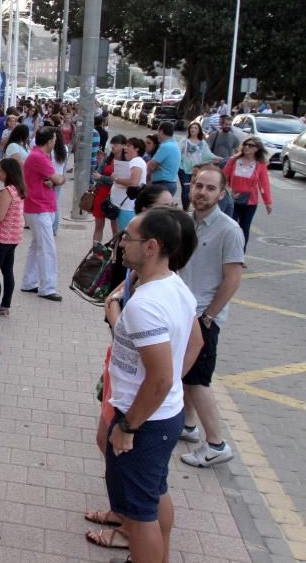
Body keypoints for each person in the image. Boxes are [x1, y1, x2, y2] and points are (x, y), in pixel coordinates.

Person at [103, 207, 198, 563]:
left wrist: (129, 426)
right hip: (163, 415)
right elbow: (193, 346)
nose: (121, 243)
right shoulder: (175, 286)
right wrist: (167, 391)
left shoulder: (145, 304)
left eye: (129, 237)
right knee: (156, 493)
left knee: (140, 516)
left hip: (145, 421)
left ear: (152, 247)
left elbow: (159, 378)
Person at [178, 166, 244, 468]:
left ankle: (216, 443)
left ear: (222, 193)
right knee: (189, 375)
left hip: (204, 316)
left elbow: (232, 279)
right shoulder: (187, 222)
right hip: (185, 311)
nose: (202, 192)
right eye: (198, 186)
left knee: (198, 380)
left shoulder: (229, 229)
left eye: (210, 188)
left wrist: (209, 316)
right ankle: (189, 426)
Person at [19, 128, 65, 302]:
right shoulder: (38, 157)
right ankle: (47, 287)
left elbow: (54, 179)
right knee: (47, 249)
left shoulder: (39, 155)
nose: (56, 141)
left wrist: (54, 180)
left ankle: (29, 282)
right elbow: (58, 179)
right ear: (50, 141)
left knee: (37, 246)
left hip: (41, 206)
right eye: (54, 139)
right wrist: (57, 180)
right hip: (39, 208)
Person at [0, 158, 25, 317]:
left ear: (8, 173)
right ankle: (5, 305)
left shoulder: (7, 191)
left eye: (0, 170)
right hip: (14, 236)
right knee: (7, 270)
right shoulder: (18, 189)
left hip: (2, 237)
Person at [222, 136, 272, 252]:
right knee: (232, 227)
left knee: (244, 228)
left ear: (257, 149)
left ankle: (240, 255)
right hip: (233, 199)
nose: (246, 147)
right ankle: (228, 252)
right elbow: (223, 178)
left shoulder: (260, 165)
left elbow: (264, 184)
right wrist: (228, 192)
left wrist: (268, 203)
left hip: (250, 201)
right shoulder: (234, 160)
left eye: (250, 145)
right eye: (245, 144)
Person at [92, 135, 127, 243]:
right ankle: (96, 253)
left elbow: (119, 180)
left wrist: (103, 178)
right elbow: (96, 175)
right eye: (112, 143)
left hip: (116, 197)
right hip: (101, 194)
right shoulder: (107, 159)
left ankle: (115, 253)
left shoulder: (126, 162)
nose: (113, 146)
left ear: (123, 146)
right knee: (98, 226)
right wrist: (108, 179)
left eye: (116, 144)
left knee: (115, 228)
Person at [110, 137, 148, 228]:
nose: (125, 148)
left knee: (124, 232)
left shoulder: (136, 162)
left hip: (127, 206)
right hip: (124, 204)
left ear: (136, 148)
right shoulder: (136, 161)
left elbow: (133, 182)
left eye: (128, 146)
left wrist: (116, 179)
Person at [147, 121, 181, 197]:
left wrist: (153, 167)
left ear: (161, 131)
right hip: (169, 183)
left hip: (163, 184)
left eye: (158, 131)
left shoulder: (165, 146)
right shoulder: (174, 144)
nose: (157, 134)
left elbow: (150, 166)